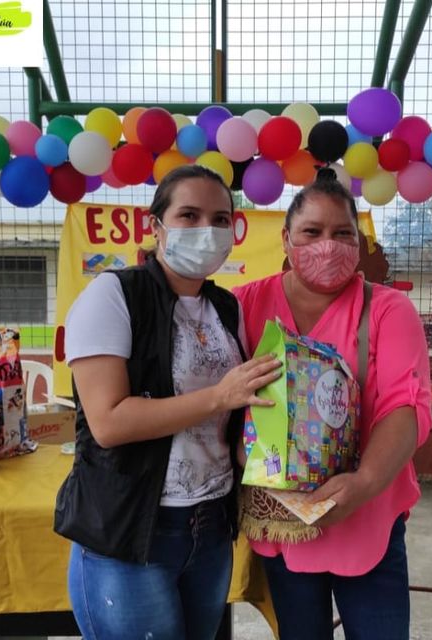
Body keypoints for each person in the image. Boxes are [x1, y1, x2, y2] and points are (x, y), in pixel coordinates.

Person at [54, 165, 281, 640]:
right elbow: (108, 423)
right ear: (155, 226)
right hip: (132, 529)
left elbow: (233, 418)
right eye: (189, 215)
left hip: (210, 524)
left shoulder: (226, 308)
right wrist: (218, 395)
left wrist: (277, 461)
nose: (207, 230)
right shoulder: (114, 295)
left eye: (221, 220)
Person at [233, 171, 432, 639]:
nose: (328, 245)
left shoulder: (388, 310)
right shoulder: (244, 304)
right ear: (286, 239)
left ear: (359, 243)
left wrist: (365, 483)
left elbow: (405, 407)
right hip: (285, 522)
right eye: (312, 232)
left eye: (343, 233)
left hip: (367, 515)